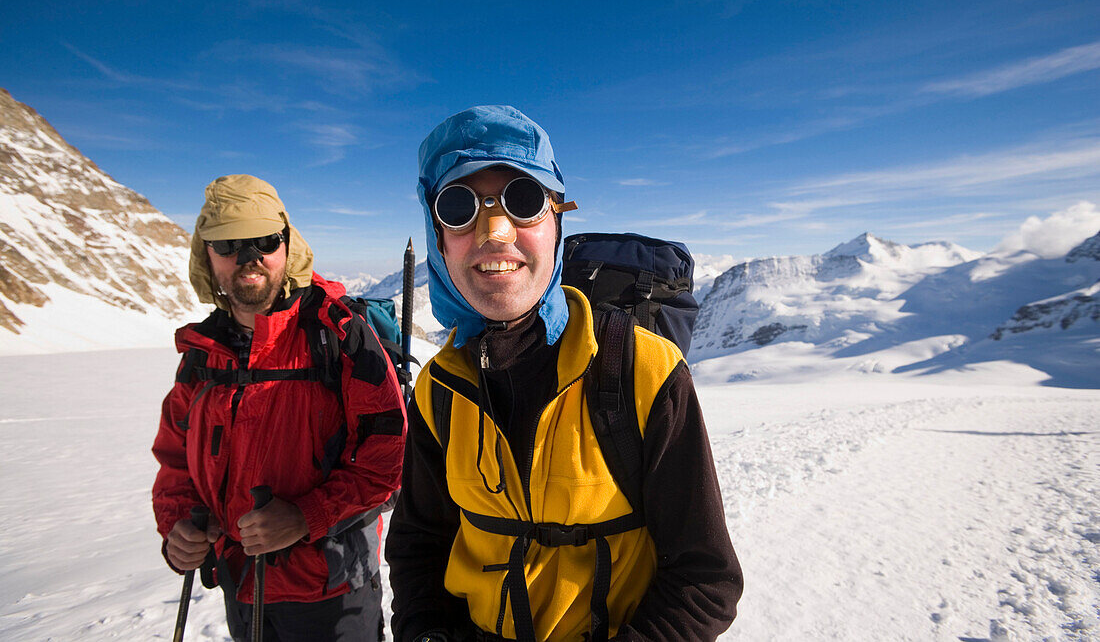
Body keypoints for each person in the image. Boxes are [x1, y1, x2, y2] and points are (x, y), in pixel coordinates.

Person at [385, 106, 742, 642]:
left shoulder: (643, 372)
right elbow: (419, 546)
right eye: (457, 207)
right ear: (439, 240)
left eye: (523, 201)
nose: (495, 231)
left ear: (557, 222)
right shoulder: (440, 388)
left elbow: (704, 578)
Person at [152, 174, 406, 641]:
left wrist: (307, 516)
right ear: (206, 255)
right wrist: (179, 528)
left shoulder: (337, 335)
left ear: (287, 246)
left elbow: (387, 463)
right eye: (229, 243)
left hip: (333, 594)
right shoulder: (202, 355)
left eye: (264, 240)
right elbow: (175, 463)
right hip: (240, 586)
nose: (249, 258)